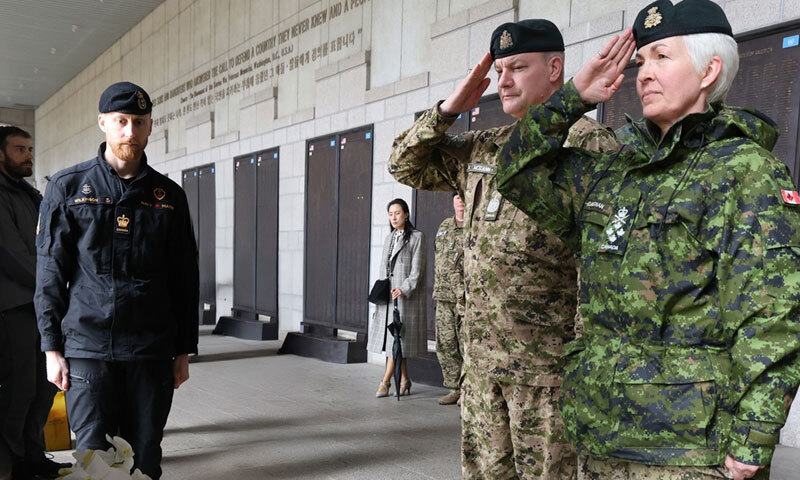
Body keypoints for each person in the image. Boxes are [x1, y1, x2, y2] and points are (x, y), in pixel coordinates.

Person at [496, 2, 800, 479]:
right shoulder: (615, 170)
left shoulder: (746, 170)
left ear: (708, 71)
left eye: (662, 57)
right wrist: (573, 96)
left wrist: (755, 435)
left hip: (689, 451)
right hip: (602, 434)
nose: (645, 74)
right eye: (641, 61)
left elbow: (773, 313)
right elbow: (514, 170)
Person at [388, 19, 619, 480]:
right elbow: (403, 164)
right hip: (481, 371)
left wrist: (584, 367)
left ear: (555, 69)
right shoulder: (486, 146)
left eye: (517, 67)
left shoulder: (589, 145)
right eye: (498, 72)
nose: (503, 81)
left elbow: (602, 265)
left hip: (547, 376)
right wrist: (449, 110)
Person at [35, 82, 199, 479]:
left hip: (151, 347)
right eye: (121, 121)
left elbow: (184, 277)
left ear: (150, 126)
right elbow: (51, 272)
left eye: (139, 122)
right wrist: (51, 348)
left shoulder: (169, 196)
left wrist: (183, 349)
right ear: (103, 123)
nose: (130, 131)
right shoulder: (68, 188)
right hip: (89, 346)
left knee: (146, 454)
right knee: (94, 457)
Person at [0, 126, 68, 479]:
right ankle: (14, 463)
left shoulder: (31, 195)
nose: (28, 155)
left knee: (44, 388)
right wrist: (54, 282)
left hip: (41, 305)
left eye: (29, 149)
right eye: (19, 149)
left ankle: (34, 455)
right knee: (20, 389)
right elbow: (12, 255)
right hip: (14, 308)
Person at [367, 198, 427, 397]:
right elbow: (383, 269)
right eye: (391, 214)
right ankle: (405, 380)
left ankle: (385, 382)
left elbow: (418, 271)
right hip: (388, 298)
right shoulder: (389, 238)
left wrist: (404, 288)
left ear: (406, 214)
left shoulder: (417, 237)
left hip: (405, 298)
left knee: (398, 340)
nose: (394, 217)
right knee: (395, 341)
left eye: (397, 213)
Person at [432, 193, 466, 405]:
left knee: (466, 344)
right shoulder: (444, 225)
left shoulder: (475, 225)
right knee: (446, 344)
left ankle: (469, 390)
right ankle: (454, 388)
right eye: (456, 197)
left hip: (465, 298)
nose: (460, 200)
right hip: (443, 295)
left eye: (462, 196)